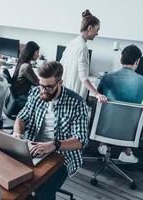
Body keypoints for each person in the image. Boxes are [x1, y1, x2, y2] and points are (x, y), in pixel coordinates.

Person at [13, 61, 88, 200]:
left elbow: (81, 140)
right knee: (16, 185)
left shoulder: (77, 103)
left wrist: (54, 145)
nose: (43, 90)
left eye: (48, 87)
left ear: (60, 82)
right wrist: (18, 134)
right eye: (41, 85)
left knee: (43, 192)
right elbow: (21, 118)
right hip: (32, 148)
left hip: (61, 155)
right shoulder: (36, 92)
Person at [97, 44, 143, 163]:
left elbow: (98, 97)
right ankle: (127, 151)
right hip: (127, 131)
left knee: (106, 111)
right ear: (137, 61)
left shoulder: (106, 77)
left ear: (121, 59)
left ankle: (102, 143)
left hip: (105, 127)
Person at [60, 9, 107, 102]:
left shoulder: (72, 43)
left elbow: (60, 66)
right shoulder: (83, 48)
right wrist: (97, 94)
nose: (97, 33)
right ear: (90, 28)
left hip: (65, 92)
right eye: (97, 30)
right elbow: (83, 77)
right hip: (75, 96)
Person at [12, 41, 40, 109]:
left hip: (19, 94)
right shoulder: (26, 67)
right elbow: (37, 83)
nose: (38, 55)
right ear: (31, 53)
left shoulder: (22, 62)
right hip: (22, 96)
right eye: (37, 52)